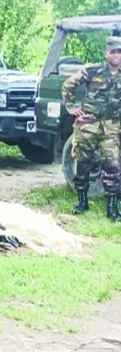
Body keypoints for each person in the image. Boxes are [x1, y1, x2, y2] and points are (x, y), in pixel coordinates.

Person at [62, 36, 121, 220]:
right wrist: (71, 106)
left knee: (112, 165)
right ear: (106, 53)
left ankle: (112, 207)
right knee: (83, 163)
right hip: (88, 124)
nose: (117, 55)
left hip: (111, 126)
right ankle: (82, 201)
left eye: (120, 52)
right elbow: (68, 85)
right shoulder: (93, 70)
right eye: (113, 52)